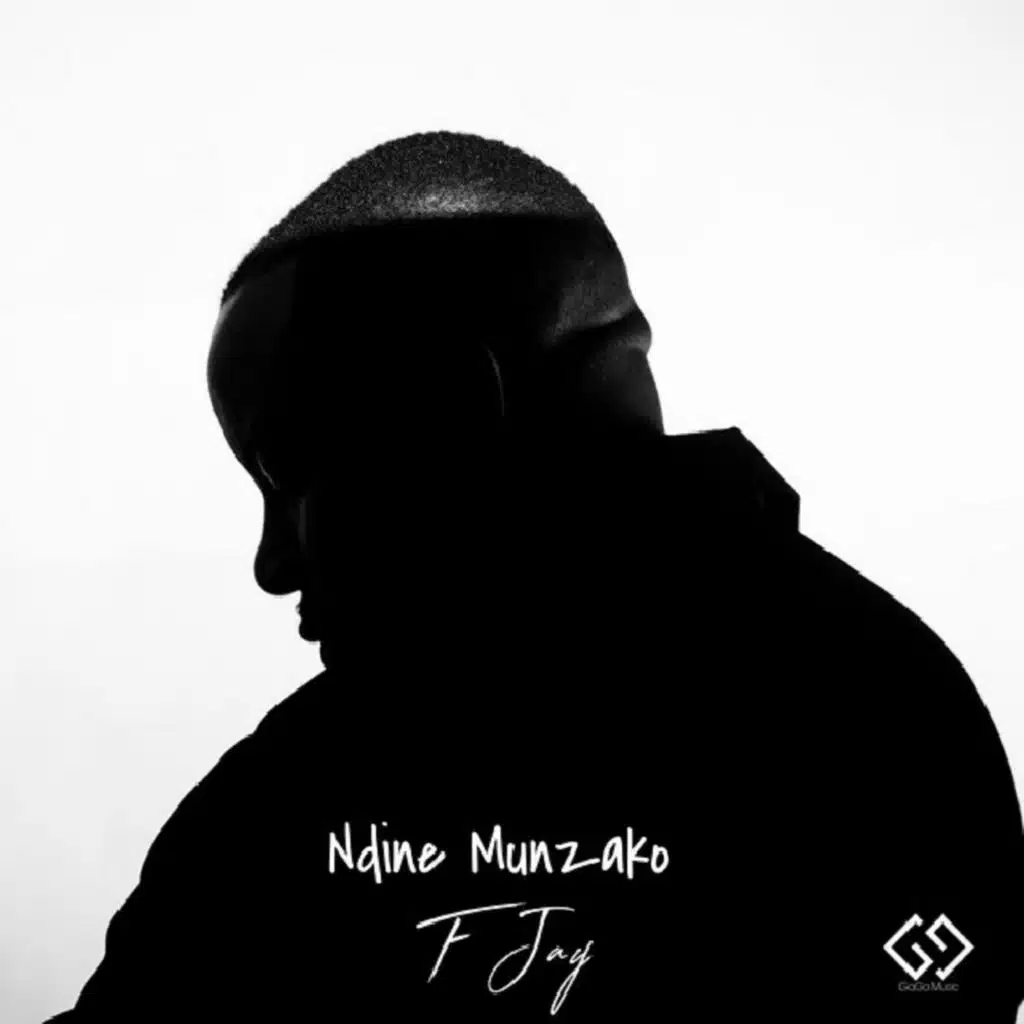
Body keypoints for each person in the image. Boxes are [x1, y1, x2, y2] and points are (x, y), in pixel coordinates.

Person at [49, 131, 1023, 1022]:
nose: (274, 564)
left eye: (291, 473)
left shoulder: (295, 802)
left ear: (444, 412)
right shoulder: (892, 726)